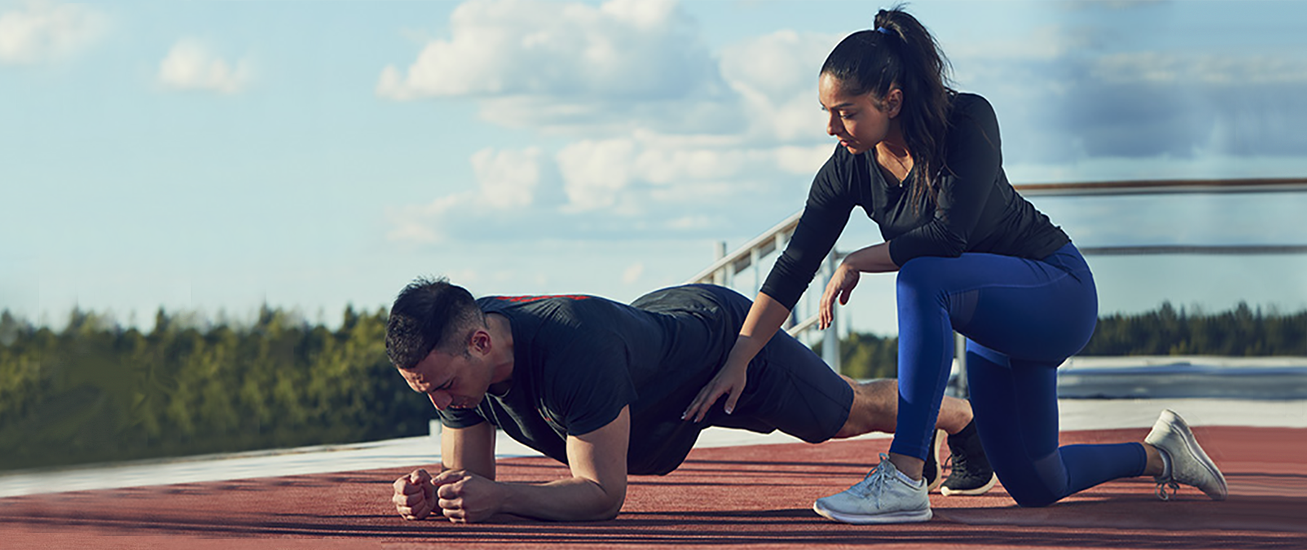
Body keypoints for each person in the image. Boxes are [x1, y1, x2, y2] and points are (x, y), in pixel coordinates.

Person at [682, 7, 1228, 525]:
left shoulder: (967, 121)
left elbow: (948, 236)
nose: (832, 127)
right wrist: (741, 356)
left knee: (922, 276)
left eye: (846, 112)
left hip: (1056, 292)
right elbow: (796, 261)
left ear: (891, 100)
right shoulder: (847, 168)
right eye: (827, 112)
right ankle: (1162, 455)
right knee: (1038, 483)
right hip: (993, 327)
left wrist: (856, 260)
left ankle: (903, 475)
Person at [386, 278, 994, 523]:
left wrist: (497, 497)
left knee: (843, 416)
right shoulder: (455, 362)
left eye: (441, 385)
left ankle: (958, 416)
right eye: (425, 390)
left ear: (481, 341)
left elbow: (602, 496)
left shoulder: (573, 352)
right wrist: (435, 491)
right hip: (652, 360)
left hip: (717, 344)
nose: (442, 401)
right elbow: (471, 480)